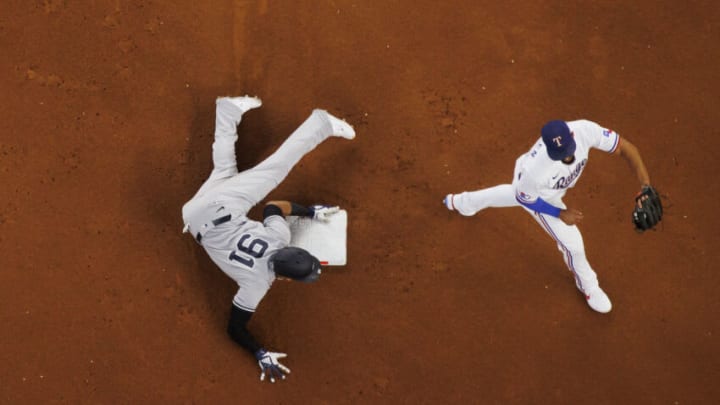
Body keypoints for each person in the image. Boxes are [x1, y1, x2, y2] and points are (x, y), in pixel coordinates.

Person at [182, 95, 355, 383]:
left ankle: (318, 125)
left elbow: (274, 206)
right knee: (231, 172)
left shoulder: (277, 238)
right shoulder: (255, 284)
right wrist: (259, 352)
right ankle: (313, 122)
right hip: (192, 217)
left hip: (221, 204)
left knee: (269, 171)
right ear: (284, 279)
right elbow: (235, 329)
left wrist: (309, 211)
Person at [443, 120, 653, 313]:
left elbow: (627, 148)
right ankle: (589, 285)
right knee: (573, 245)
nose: (566, 156)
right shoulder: (536, 171)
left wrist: (645, 186)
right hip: (540, 196)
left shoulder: (584, 130)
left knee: (512, 194)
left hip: (530, 189)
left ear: (571, 135)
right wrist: (559, 213)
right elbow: (526, 200)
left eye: (567, 150)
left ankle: (463, 202)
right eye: (559, 153)